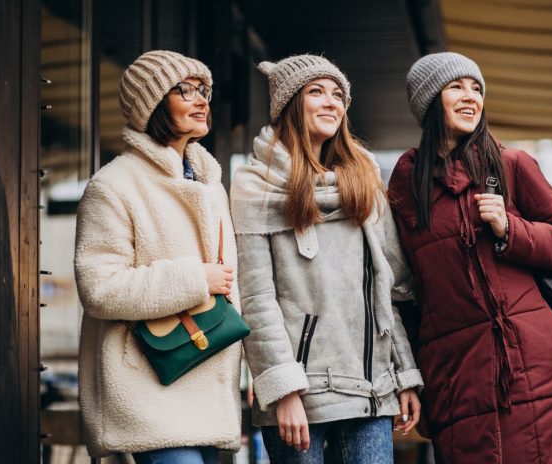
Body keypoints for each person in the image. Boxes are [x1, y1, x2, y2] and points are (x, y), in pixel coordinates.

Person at [387, 52, 552, 463]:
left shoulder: (513, 164)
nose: (470, 97)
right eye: (456, 87)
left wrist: (511, 229)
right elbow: (402, 289)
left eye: (476, 88)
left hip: (530, 365)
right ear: (430, 101)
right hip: (454, 373)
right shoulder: (406, 185)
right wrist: (412, 377)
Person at [230, 54, 423, 464]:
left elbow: (385, 290)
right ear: (289, 106)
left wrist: (403, 374)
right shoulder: (255, 186)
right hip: (299, 393)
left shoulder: (365, 179)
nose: (332, 102)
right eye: (316, 92)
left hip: (371, 389)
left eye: (338, 95)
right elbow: (257, 300)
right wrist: (282, 390)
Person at [74, 50, 241, 464]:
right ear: (152, 104)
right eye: (185, 90)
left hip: (209, 381)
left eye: (204, 89)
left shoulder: (211, 185)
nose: (202, 99)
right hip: (148, 386)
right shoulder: (113, 185)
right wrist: (195, 279)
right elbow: (100, 289)